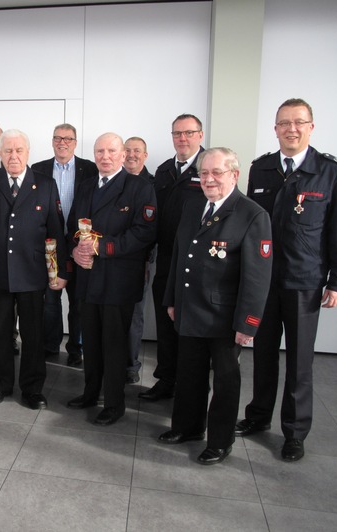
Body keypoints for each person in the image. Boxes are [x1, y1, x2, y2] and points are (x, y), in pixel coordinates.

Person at [236, 98, 337, 462]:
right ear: (275, 129)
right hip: (265, 280)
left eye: (299, 122)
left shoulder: (330, 171)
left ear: (311, 127)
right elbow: (253, 227)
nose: (291, 129)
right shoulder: (262, 169)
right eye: (284, 123)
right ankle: (257, 416)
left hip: (304, 281)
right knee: (264, 354)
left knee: (300, 361)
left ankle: (295, 432)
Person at [158, 147, 272, 465]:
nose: (208, 179)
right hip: (190, 310)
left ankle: (220, 441)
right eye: (203, 173)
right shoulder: (193, 206)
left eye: (216, 173)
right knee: (189, 374)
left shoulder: (252, 215)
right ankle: (188, 427)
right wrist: (171, 300)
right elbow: (179, 258)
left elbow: (257, 277)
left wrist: (248, 324)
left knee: (225, 382)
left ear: (234, 175)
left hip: (225, 319)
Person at [0, 129, 69, 410]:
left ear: (28, 153)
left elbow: (55, 232)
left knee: (33, 334)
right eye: (8, 151)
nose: (13, 156)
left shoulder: (46, 183)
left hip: (33, 271)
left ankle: (32, 388)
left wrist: (58, 271)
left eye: (19, 151)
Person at [66, 133, 157, 425]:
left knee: (114, 345)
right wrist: (74, 251)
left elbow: (144, 233)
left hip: (118, 279)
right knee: (90, 340)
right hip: (88, 277)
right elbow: (73, 226)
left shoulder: (139, 187)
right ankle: (90, 392)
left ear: (123, 155)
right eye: (100, 151)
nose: (105, 156)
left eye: (111, 151)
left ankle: (115, 404)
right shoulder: (86, 186)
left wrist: (101, 248)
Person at [140, 114, 206, 402]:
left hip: (198, 264)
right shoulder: (165, 170)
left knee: (191, 330)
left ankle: (189, 390)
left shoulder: (210, 167)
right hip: (167, 259)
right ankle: (166, 380)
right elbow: (153, 218)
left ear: (200, 136)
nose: (183, 138)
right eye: (177, 133)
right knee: (166, 326)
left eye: (189, 133)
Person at [31, 123, 97, 366]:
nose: (63, 142)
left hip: (81, 245)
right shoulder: (38, 169)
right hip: (49, 244)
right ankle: (50, 345)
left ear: (75, 142)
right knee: (50, 300)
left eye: (68, 138)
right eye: (58, 138)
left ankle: (75, 348)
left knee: (80, 301)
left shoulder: (89, 169)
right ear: (52, 141)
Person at [123, 136, 154, 383]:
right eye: (128, 150)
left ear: (145, 155)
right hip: (112, 259)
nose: (132, 155)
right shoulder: (114, 181)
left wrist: (145, 261)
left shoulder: (152, 183)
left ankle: (130, 366)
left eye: (137, 151)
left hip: (141, 260)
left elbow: (151, 228)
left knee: (134, 315)